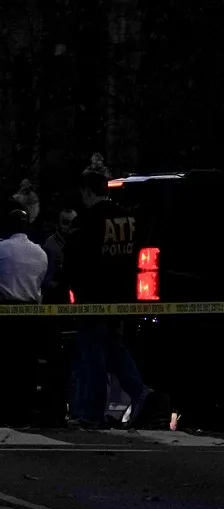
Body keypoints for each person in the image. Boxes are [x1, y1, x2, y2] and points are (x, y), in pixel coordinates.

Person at [64, 162, 158, 427]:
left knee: (92, 353)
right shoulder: (129, 219)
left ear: (87, 192)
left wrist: (70, 288)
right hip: (122, 294)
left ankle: (92, 413)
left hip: (92, 296)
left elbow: (74, 262)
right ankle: (140, 391)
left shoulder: (87, 220)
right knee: (113, 346)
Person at [0, 207, 48, 426]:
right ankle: (22, 414)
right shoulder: (40, 252)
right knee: (25, 366)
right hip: (29, 315)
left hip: (2, 314)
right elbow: (41, 282)